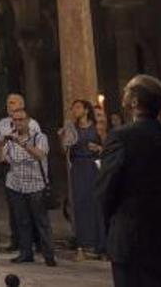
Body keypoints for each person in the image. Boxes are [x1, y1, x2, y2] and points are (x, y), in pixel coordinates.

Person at [97, 74, 161, 286]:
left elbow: (106, 190)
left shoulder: (121, 137)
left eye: (127, 91)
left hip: (135, 242)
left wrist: (114, 225)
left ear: (134, 101)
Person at [0, 108, 56, 266]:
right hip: (16, 186)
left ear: (28, 121)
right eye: (15, 120)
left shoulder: (39, 137)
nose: (18, 123)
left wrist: (23, 144)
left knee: (41, 221)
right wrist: (1, 145)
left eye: (21, 120)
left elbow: (40, 155)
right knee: (22, 221)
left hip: (36, 186)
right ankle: (25, 253)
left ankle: (49, 254)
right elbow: (0, 159)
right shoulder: (11, 141)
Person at [0, 93, 41, 253]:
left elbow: (37, 144)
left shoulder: (32, 124)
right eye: (7, 103)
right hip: (10, 167)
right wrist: (2, 150)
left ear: (21, 105)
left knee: (33, 208)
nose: (8, 105)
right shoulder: (2, 124)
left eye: (12, 102)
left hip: (29, 168)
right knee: (15, 208)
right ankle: (17, 241)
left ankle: (38, 241)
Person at [60, 99, 104, 260]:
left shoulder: (96, 126)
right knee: (79, 205)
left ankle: (99, 246)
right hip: (78, 167)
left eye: (78, 107)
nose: (75, 110)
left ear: (86, 110)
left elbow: (106, 146)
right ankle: (82, 246)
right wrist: (64, 138)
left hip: (93, 166)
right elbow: (65, 149)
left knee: (96, 204)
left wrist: (99, 148)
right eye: (73, 108)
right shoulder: (72, 128)